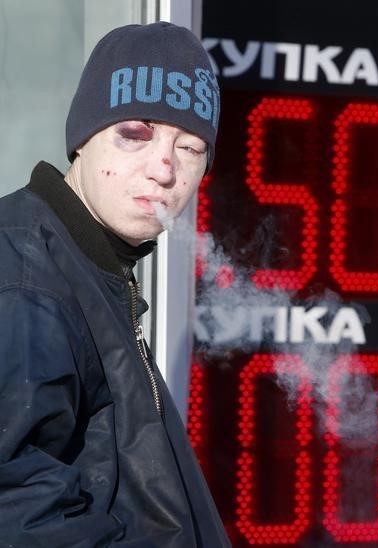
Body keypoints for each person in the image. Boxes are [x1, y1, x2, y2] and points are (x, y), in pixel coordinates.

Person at [0, 22, 229, 546]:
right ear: (84, 139)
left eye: (191, 148)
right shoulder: (26, 277)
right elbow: (17, 509)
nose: (165, 169)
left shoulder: (89, 270)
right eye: (137, 133)